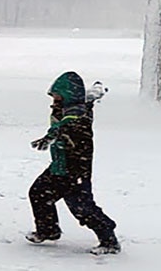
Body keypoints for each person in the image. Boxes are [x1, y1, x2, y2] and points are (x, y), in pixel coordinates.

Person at [26, 72, 120, 254]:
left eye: (57, 96)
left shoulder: (77, 115)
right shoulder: (71, 107)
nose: (54, 100)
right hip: (60, 166)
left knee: (82, 208)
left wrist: (51, 136)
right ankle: (48, 230)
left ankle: (109, 240)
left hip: (74, 170)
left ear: (67, 95)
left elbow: (68, 124)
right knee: (39, 192)